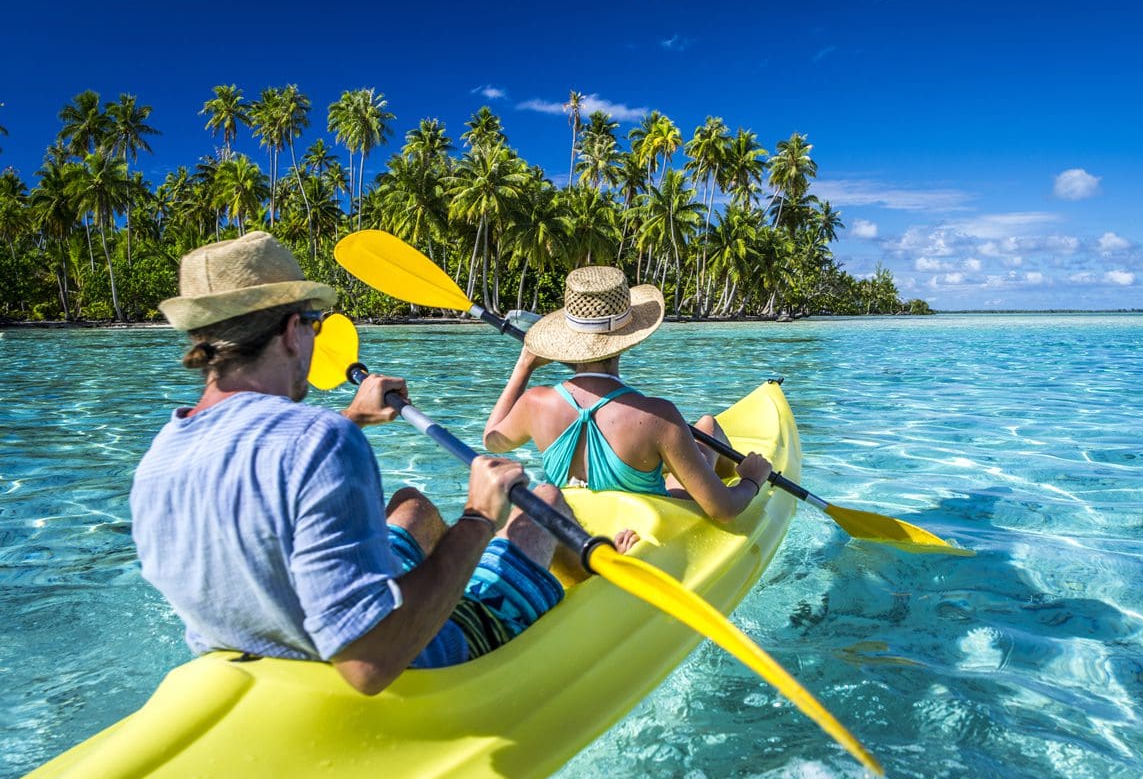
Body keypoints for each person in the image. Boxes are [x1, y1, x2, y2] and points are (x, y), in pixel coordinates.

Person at [131, 231, 580, 696]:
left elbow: (269, 466)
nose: (313, 335)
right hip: (409, 662)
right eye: (314, 323)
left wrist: (354, 418)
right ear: (291, 331)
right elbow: (369, 662)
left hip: (259, 657)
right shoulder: (320, 440)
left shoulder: (159, 455)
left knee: (413, 506)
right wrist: (479, 517)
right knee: (542, 503)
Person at [484, 266, 773, 523]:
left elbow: (493, 440)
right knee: (708, 426)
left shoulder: (535, 403)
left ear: (569, 338)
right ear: (628, 339)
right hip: (643, 530)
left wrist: (524, 366)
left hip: (574, 528)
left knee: (705, 427)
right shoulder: (658, 416)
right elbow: (722, 511)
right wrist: (752, 480)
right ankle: (727, 468)